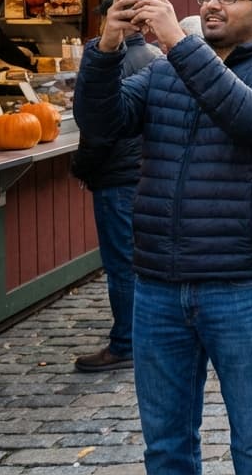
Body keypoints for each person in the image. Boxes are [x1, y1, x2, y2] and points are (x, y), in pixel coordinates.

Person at [73, 0, 252, 472]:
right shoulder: (163, 72)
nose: (213, 5)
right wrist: (108, 47)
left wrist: (179, 44)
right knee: (167, 444)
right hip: (159, 284)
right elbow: (100, 123)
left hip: (241, 283)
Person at [70, 30, 162, 373]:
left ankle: (126, 341)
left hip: (116, 174)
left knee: (121, 261)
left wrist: (82, 167)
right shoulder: (154, 57)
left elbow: (97, 130)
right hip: (143, 171)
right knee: (139, 258)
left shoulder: (115, 63)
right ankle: (141, 335)